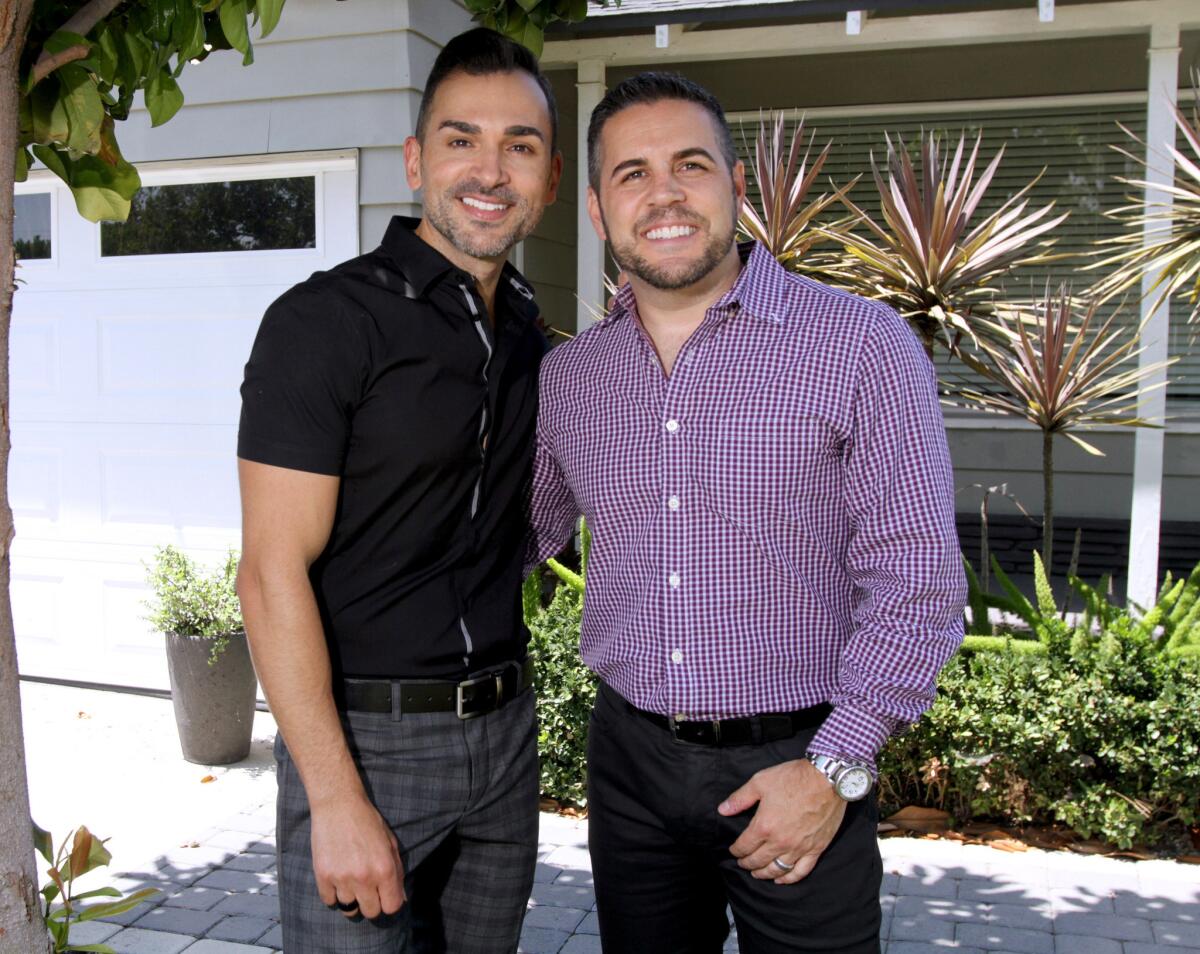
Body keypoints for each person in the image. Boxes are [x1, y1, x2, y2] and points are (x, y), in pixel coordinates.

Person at [525, 72, 966, 954]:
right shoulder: (571, 377)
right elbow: (515, 542)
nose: (665, 194)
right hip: (630, 770)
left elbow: (918, 584)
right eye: (632, 174)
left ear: (736, 186)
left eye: (691, 165)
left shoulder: (857, 345)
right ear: (598, 210)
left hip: (799, 760)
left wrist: (833, 769)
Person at [236, 27, 561, 954]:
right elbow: (268, 572)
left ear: (545, 175)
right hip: (365, 743)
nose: (490, 171)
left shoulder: (536, 342)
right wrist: (334, 797)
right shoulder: (326, 322)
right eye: (462, 140)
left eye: (520, 146)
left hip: (506, 737)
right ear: (417, 158)